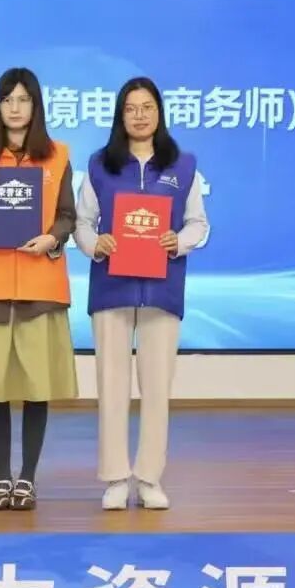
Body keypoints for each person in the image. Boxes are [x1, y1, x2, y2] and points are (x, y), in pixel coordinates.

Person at [73, 76, 209, 510]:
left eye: (147, 107)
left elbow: (199, 224)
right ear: (120, 115)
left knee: (156, 387)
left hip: (162, 289)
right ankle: (115, 477)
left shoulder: (183, 166)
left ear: (159, 112)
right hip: (111, 287)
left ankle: (149, 477)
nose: (139, 115)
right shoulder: (100, 165)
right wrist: (96, 244)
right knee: (111, 385)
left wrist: (178, 241)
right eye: (130, 108)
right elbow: (81, 223)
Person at [0, 67, 78, 512]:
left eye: (24, 99)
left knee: (37, 386)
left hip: (40, 285)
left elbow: (68, 216)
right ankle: (2, 478)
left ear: (36, 105)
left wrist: (52, 238)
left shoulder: (58, 156)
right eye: (7, 100)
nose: (15, 108)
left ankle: (27, 479)